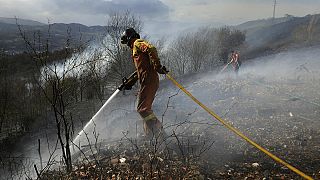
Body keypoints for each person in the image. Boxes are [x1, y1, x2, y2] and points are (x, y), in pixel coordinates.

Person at [120, 28, 168, 139]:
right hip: (146, 79)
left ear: (128, 38)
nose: (127, 45)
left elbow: (151, 48)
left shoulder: (137, 43)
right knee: (145, 109)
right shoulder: (135, 50)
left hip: (149, 78)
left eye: (125, 42)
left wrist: (157, 66)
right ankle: (149, 135)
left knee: (143, 109)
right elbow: (140, 71)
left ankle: (161, 134)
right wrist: (130, 83)